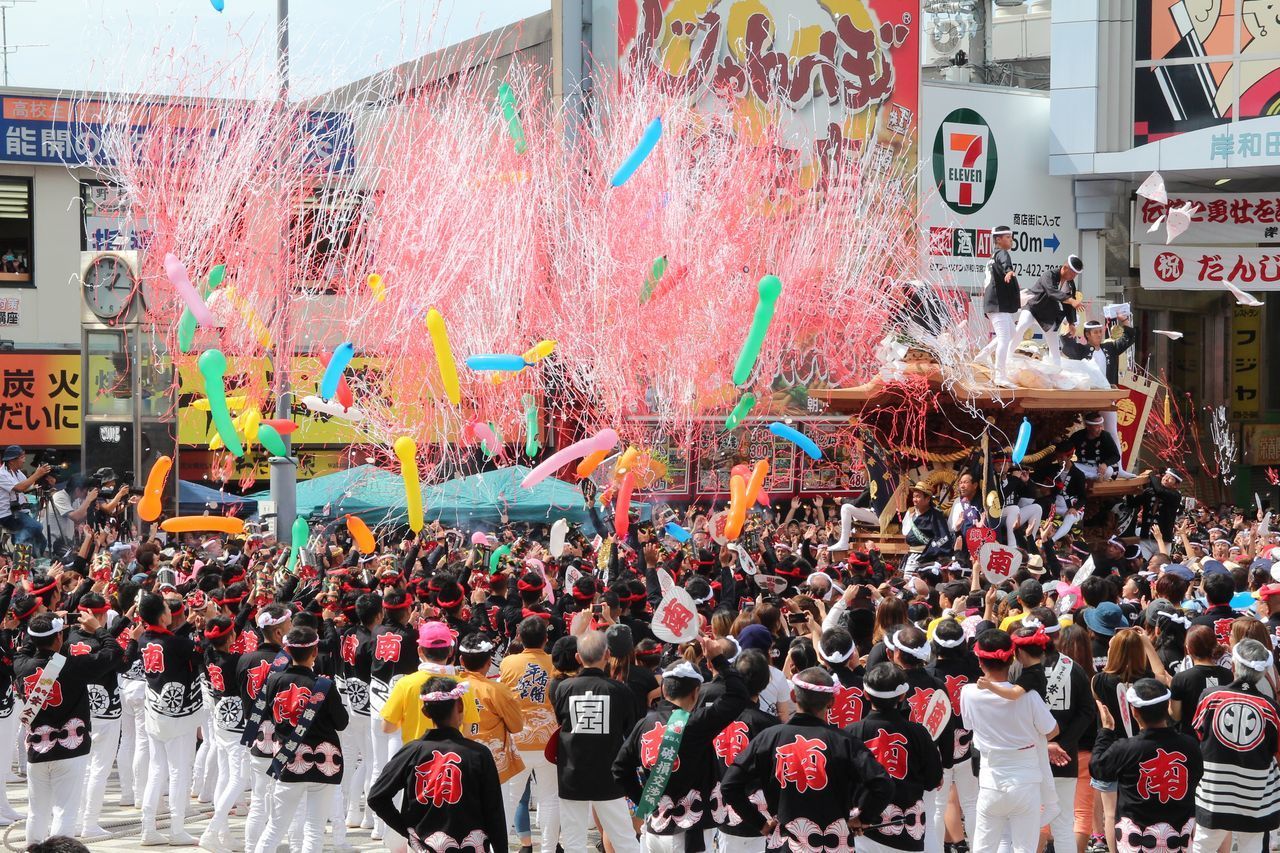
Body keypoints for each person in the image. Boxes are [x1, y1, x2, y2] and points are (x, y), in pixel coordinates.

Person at [719, 666, 893, 850]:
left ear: (794, 696)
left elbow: (730, 785)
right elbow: (883, 784)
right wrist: (863, 818)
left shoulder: (769, 737)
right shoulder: (845, 742)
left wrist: (760, 823)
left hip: (785, 844)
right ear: (831, 702)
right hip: (833, 844)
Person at [613, 637, 748, 852]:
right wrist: (719, 660)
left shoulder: (645, 724)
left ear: (665, 690)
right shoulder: (697, 723)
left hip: (654, 827)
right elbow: (739, 695)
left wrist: (645, 802)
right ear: (696, 692)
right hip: (689, 831)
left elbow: (619, 769)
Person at [15, 610, 123, 844]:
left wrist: (38, 626)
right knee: (65, 811)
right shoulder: (74, 665)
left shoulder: (21, 665)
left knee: (37, 812)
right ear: (58, 638)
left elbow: (25, 649)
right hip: (70, 750)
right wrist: (98, 629)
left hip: (37, 749)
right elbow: (115, 653)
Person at [367, 676, 509, 852]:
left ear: (425, 712)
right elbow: (494, 811)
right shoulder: (478, 754)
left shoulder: (411, 752)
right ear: (460, 706)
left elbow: (376, 797)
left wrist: (407, 830)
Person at [958, 630, 1059, 853]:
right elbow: (1052, 731)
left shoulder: (968, 693)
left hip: (990, 781)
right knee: (1024, 848)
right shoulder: (1029, 696)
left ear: (980, 661)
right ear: (1012, 658)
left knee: (984, 847)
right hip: (1025, 782)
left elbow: (969, 725)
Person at [251, 626, 350, 853]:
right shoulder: (324, 686)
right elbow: (342, 722)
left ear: (287, 650)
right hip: (324, 763)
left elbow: (265, 714)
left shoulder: (274, 680)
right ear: (315, 652)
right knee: (314, 830)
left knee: (275, 828)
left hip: (287, 761)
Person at [552, 629, 641, 853]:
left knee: (573, 840)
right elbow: (630, 729)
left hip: (571, 773)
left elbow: (560, 720)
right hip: (609, 774)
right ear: (607, 654)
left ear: (578, 658)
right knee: (625, 838)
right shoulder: (620, 690)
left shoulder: (563, 688)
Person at [1090, 678, 1202, 853]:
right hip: (1179, 842)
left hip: (1136, 843)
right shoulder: (1190, 746)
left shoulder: (1125, 748)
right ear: (1167, 708)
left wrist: (1106, 731)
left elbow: (1098, 768)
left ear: (1134, 712)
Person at [1190, 638, 1280, 851]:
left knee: (1203, 846)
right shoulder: (1271, 708)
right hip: (1255, 793)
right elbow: (1275, 751)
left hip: (1214, 792)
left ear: (1233, 665)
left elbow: (1200, 734)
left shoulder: (1210, 697)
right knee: (1252, 846)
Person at [132, 590, 207, 845]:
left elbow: (174, 641)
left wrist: (188, 625)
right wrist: (201, 631)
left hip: (155, 711)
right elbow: (198, 655)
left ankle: (147, 828)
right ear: (162, 614)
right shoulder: (177, 643)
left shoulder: (144, 639)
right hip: (178, 715)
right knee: (178, 771)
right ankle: (176, 829)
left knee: (157, 770)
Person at [845, 663, 944, 853]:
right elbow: (933, 780)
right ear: (902, 696)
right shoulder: (918, 732)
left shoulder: (850, 733)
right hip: (907, 828)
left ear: (865, 695)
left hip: (862, 827)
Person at [64, 592, 127, 841]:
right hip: (106, 711)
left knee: (81, 768)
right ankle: (89, 822)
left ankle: (78, 820)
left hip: (78, 708)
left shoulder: (68, 637)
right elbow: (122, 662)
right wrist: (107, 633)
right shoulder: (105, 640)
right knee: (98, 769)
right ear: (100, 614)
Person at [499, 616, 560, 853]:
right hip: (549, 741)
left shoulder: (508, 663)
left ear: (520, 638)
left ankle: (499, 847)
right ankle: (548, 848)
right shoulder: (555, 662)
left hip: (518, 741)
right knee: (550, 798)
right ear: (546, 639)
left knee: (510, 798)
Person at [708, 650, 779, 853]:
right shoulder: (770, 725)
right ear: (765, 683)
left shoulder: (713, 717)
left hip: (722, 809)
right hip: (761, 816)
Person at [1062, 316, 1137, 475]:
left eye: (1100, 331)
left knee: (1111, 430)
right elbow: (1067, 347)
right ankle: (1087, 465)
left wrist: (1124, 322)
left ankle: (1119, 468)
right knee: (1089, 429)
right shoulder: (1082, 350)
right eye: (1095, 332)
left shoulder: (1109, 348)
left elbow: (1128, 338)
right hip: (1089, 396)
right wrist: (1069, 330)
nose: (1099, 335)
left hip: (1107, 395)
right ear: (1087, 335)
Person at [1012, 254, 1083, 369]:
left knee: (1054, 345)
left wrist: (1071, 323)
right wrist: (1071, 300)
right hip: (1033, 307)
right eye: (1072, 272)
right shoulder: (1049, 275)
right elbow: (1051, 292)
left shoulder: (1070, 285)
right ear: (1065, 267)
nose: (1074, 276)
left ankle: (1055, 371)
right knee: (1020, 327)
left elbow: (1068, 306)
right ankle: (1007, 358)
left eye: (1076, 274)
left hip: (1048, 315)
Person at [983, 225, 1021, 388]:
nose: (1010, 240)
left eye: (1011, 237)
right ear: (998, 239)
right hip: (997, 304)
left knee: (1011, 333)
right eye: (1007, 237)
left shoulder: (993, 256)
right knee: (1005, 338)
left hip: (997, 304)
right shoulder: (1002, 253)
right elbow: (1005, 262)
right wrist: (1009, 271)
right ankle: (1000, 376)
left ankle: (984, 354)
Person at [0, 445, 51, 552]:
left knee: (42, 542)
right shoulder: (2, 474)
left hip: (19, 512)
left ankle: (33, 560)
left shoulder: (17, 472)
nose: (24, 460)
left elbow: (26, 486)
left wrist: (37, 480)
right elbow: (19, 487)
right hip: (8, 514)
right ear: (12, 460)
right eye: (22, 457)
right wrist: (37, 474)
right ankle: (18, 548)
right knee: (36, 527)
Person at [901, 483, 953, 574]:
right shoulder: (912, 513)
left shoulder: (935, 516)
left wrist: (928, 553)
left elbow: (944, 538)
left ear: (927, 499)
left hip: (927, 558)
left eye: (918, 497)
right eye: (914, 497)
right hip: (911, 555)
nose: (914, 500)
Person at [40, 475, 94, 553]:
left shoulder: (75, 499)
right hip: (52, 547)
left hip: (64, 545)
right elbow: (76, 517)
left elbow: (79, 520)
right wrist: (88, 500)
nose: (86, 494)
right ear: (78, 490)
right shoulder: (60, 497)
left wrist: (91, 508)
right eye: (86, 491)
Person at [1066, 414, 1123, 482]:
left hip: (1099, 467)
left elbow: (1116, 456)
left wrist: (1105, 464)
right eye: (1097, 426)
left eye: (1101, 426)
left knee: (1109, 471)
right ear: (1088, 426)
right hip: (1083, 466)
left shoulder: (1105, 436)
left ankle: (1084, 477)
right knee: (1067, 467)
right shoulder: (1078, 436)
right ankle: (1092, 477)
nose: (1100, 429)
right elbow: (1066, 448)